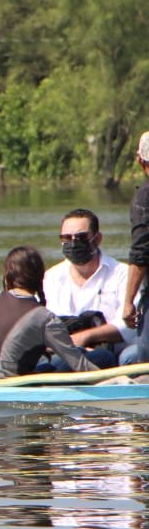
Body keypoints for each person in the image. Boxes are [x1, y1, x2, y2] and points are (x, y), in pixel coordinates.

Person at [0, 246, 98, 383]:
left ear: (8, 275)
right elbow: (80, 365)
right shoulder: (46, 318)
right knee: (102, 356)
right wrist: (118, 381)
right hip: (13, 387)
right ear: (40, 277)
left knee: (49, 365)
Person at [40, 209, 126, 369]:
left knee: (131, 356)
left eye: (81, 237)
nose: (73, 243)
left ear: (97, 238)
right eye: (66, 238)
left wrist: (85, 337)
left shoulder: (122, 273)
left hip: (114, 353)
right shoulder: (50, 277)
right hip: (65, 352)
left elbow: (128, 326)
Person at [121, 131, 149, 366]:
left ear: (140, 160)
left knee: (144, 360)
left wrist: (129, 301)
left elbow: (141, 252)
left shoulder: (145, 197)